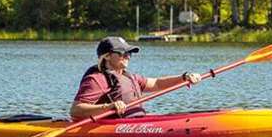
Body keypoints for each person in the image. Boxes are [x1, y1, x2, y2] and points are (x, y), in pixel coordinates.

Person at [70, 36, 202, 120]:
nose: (127, 56)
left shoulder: (128, 76)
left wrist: (184, 78)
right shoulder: (97, 79)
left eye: (129, 53)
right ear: (107, 56)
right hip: (113, 127)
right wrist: (109, 106)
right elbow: (76, 110)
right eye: (122, 53)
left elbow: (156, 83)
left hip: (136, 122)